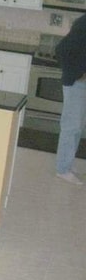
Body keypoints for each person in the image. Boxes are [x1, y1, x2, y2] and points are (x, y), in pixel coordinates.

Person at [55, 13, 86, 185]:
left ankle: (67, 164)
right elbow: (61, 50)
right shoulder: (84, 23)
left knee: (77, 127)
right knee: (71, 126)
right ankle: (62, 169)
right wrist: (79, 73)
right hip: (76, 82)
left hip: (80, 82)